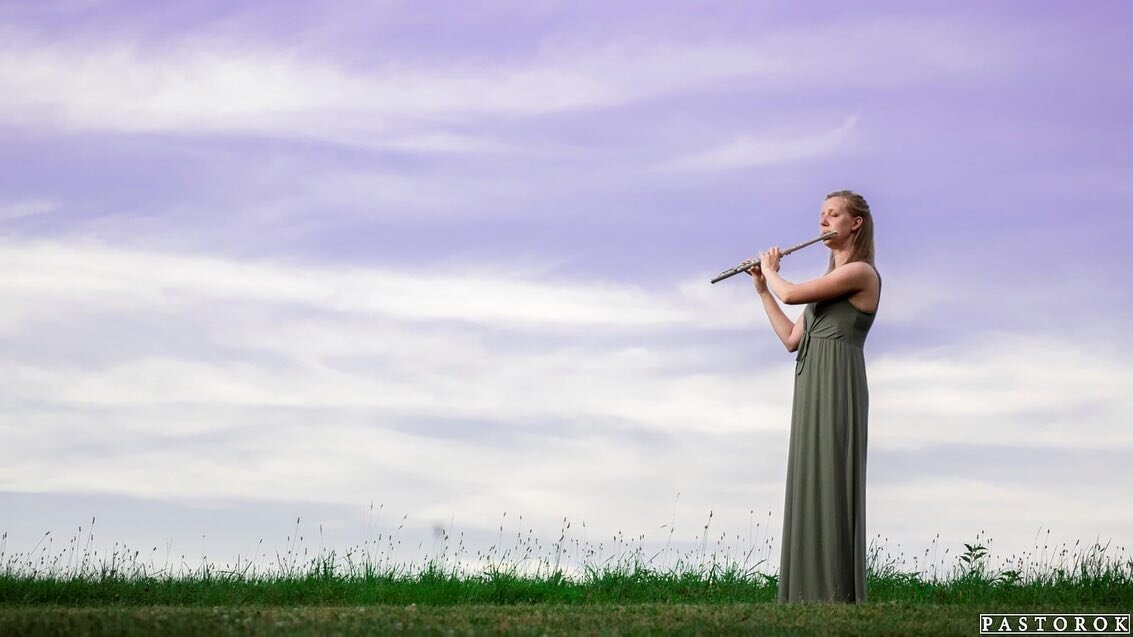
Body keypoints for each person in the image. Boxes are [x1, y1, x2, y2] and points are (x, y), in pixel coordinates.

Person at [747, 190, 881, 603]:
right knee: (810, 476)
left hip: (838, 382)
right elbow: (791, 338)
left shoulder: (861, 273)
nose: (823, 223)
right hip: (811, 381)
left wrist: (771, 271)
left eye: (832, 215)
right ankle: (805, 592)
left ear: (854, 222)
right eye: (821, 216)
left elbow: (792, 293)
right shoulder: (825, 290)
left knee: (833, 478)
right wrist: (762, 289)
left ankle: (834, 591)